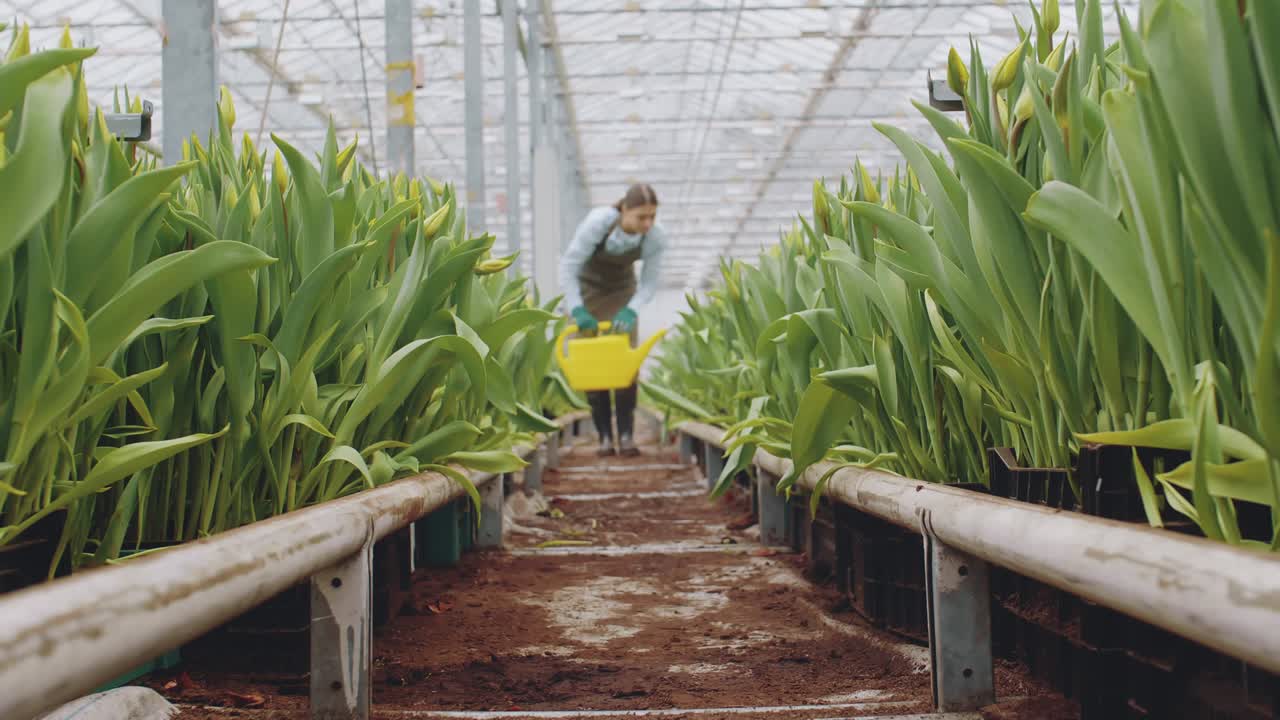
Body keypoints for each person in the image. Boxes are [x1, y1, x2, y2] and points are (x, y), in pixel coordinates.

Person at [560, 183, 667, 457]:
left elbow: (649, 283)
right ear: (624, 210)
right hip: (587, 290)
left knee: (625, 366)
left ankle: (627, 436)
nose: (648, 223)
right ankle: (605, 438)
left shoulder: (654, 238)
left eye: (652, 217)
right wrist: (577, 309)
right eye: (641, 217)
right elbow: (569, 266)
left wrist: (632, 309)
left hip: (622, 293)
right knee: (592, 366)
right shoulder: (599, 223)